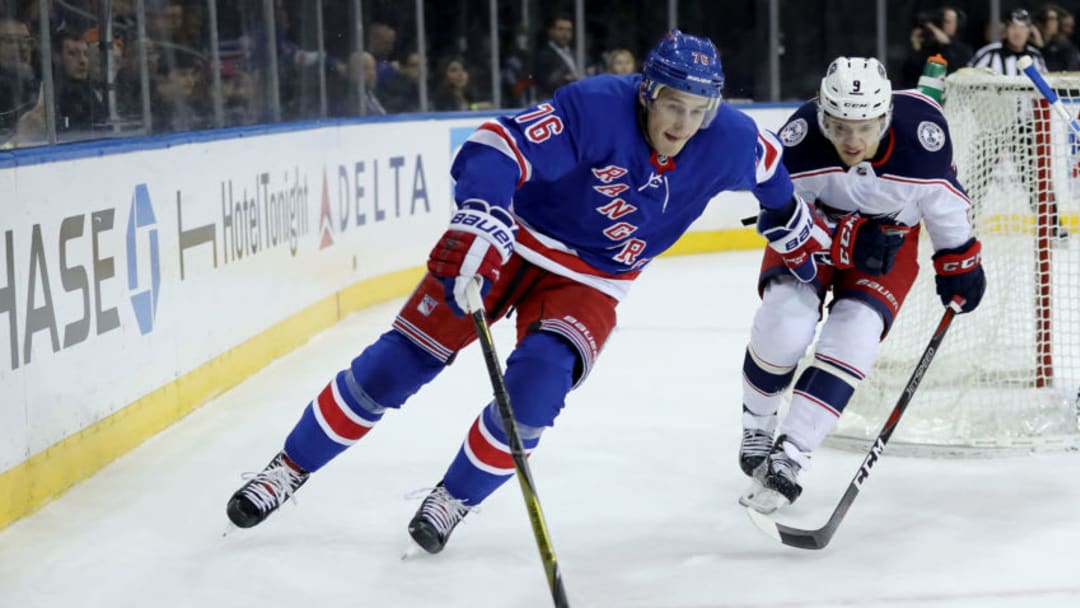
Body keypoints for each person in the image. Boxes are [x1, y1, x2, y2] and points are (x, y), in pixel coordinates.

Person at [225, 29, 800, 553]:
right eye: (674, 105)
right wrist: (482, 213)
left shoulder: (728, 140)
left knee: (537, 389)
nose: (683, 124)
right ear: (648, 93)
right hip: (513, 241)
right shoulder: (597, 107)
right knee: (397, 365)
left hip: (593, 278)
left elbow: (772, 173)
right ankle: (286, 468)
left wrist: (788, 220)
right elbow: (496, 145)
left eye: (699, 110)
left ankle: (453, 498)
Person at [738, 57, 986, 514]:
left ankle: (792, 452)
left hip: (888, 247)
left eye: (866, 127)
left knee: (854, 335)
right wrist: (838, 238)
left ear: (886, 118)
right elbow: (778, 214)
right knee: (784, 324)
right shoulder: (799, 142)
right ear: (822, 118)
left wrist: (959, 263)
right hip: (810, 240)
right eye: (839, 126)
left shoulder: (922, 141)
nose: (852, 140)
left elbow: (946, 206)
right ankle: (758, 421)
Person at [966, 8, 1067, 240]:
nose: (1017, 33)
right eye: (1013, 27)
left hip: (1024, 126)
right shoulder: (988, 53)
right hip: (992, 125)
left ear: (1028, 30)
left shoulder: (1036, 57)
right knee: (977, 177)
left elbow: (1046, 89)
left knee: (1037, 177)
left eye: (1022, 28)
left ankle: (1052, 226)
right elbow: (967, 78)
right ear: (1006, 30)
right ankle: (963, 222)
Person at [901, 5, 973, 87]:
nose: (942, 25)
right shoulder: (929, 49)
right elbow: (911, 75)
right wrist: (916, 47)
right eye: (940, 21)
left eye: (947, 21)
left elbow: (956, 70)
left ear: (958, 25)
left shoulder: (963, 50)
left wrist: (946, 44)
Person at [533, 14, 579, 99]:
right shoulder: (543, 56)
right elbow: (548, 83)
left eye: (569, 30)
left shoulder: (576, 54)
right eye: (561, 29)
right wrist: (569, 78)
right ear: (551, 31)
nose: (565, 34)